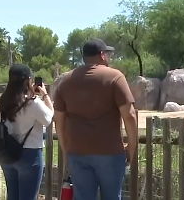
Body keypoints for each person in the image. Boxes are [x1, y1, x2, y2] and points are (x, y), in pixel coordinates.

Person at [53, 38, 138, 200]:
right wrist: (131, 147)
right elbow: (129, 114)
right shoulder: (115, 77)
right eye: (108, 54)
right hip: (110, 153)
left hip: (77, 152)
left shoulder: (66, 81)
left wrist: (66, 149)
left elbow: (58, 120)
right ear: (102, 55)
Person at [0, 64, 54, 200]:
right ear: (28, 80)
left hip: (8, 154)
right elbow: (49, 118)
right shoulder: (33, 103)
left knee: (13, 196)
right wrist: (45, 94)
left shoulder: (3, 103)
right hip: (30, 155)